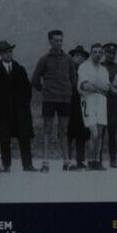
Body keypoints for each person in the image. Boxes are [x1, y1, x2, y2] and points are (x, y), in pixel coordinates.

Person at [0, 41, 38, 172]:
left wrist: (25, 103)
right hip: (2, 112)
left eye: (10, 51)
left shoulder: (20, 69)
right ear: (0, 55)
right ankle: (6, 165)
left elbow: (27, 89)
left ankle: (28, 165)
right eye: (5, 52)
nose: (8, 54)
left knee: (24, 137)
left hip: (20, 111)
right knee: (4, 139)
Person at [31, 31, 75, 170]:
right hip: (49, 99)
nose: (59, 43)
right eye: (56, 40)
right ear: (50, 41)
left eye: (61, 40)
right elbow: (34, 79)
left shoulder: (68, 59)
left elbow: (73, 79)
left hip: (65, 99)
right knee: (47, 130)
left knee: (63, 130)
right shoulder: (44, 59)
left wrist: (67, 90)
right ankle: (45, 162)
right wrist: (44, 90)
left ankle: (66, 162)